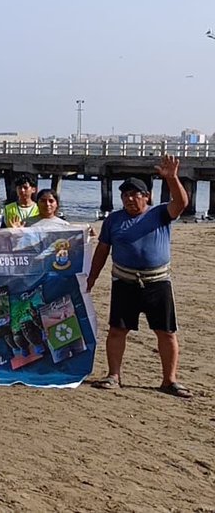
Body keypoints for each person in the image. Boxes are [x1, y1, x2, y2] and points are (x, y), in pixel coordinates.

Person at [88, 157, 191, 398]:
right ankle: (114, 375)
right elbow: (102, 251)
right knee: (117, 330)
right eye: (125, 195)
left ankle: (169, 380)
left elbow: (181, 203)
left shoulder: (160, 213)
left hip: (157, 282)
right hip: (124, 282)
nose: (129, 199)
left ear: (147, 197)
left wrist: (172, 178)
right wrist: (91, 279)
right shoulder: (113, 219)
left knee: (166, 332)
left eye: (135, 194)